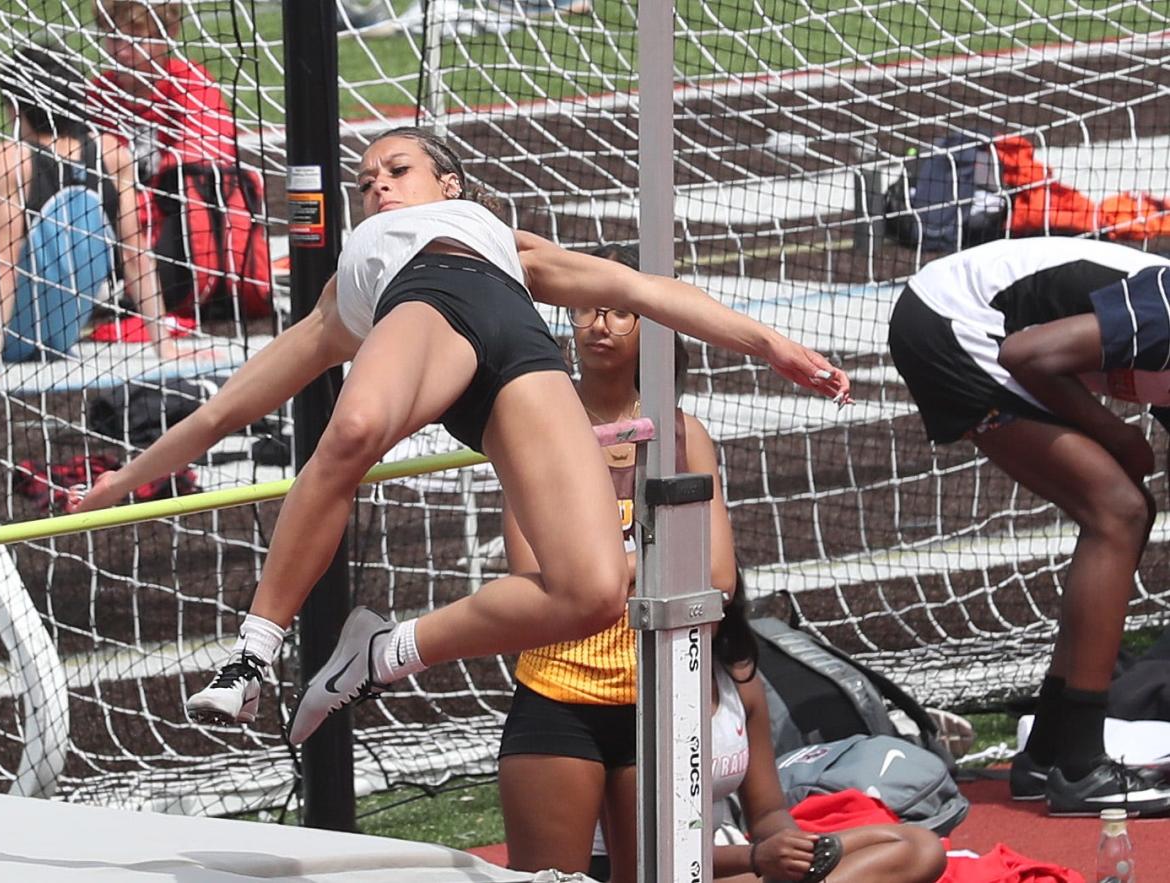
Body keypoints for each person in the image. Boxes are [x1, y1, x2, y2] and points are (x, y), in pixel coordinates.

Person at [67, 126, 851, 748]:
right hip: (424, 307)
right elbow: (219, 414)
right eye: (364, 180)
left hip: (518, 353)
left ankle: (381, 654)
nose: (376, 183)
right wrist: (120, 479)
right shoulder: (351, 288)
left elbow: (640, 288)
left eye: (397, 169)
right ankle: (253, 655)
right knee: (357, 427)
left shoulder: (501, 238)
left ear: (451, 186)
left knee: (592, 590)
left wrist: (769, 343)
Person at [887, 236, 1170, 816]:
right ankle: (1081, 767)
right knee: (1119, 512)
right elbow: (1027, 354)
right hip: (954, 319)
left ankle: (1048, 752)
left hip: (969, 325)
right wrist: (1118, 434)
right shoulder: (1167, 308)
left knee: (1126, 517)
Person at [497, 243, 736, 883]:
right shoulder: (534, 423)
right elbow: (533, 575)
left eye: (620, 312)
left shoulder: (684, 435)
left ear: (652, 324)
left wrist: (597, 566)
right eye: (586, 309)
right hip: (556, 694)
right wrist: (648, 558)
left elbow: (716, 577)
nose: (600, 325)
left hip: (657, 695)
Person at [0, 46, 163, 379]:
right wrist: (164, 346)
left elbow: (3, 263)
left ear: (15, 109)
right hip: (58, 337)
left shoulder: (11, 160)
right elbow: (136, 254)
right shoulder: (111, 153)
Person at [707, 584, 947, 883]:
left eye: (718, 596)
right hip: (679, 870)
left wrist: (796, 851)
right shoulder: (640, 700)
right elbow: (644, 855)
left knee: (920, 846)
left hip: (745, 862)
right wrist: (756, 857)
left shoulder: (739, 681)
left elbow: (767, 813)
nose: (711, 606)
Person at [88, 0, 271, 320]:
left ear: (169, 34)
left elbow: (202, 173)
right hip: (116, 228)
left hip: (177, 236)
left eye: (136, 37)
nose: (123, 50)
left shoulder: (192, 84)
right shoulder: (99, 94)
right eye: (114, 37)